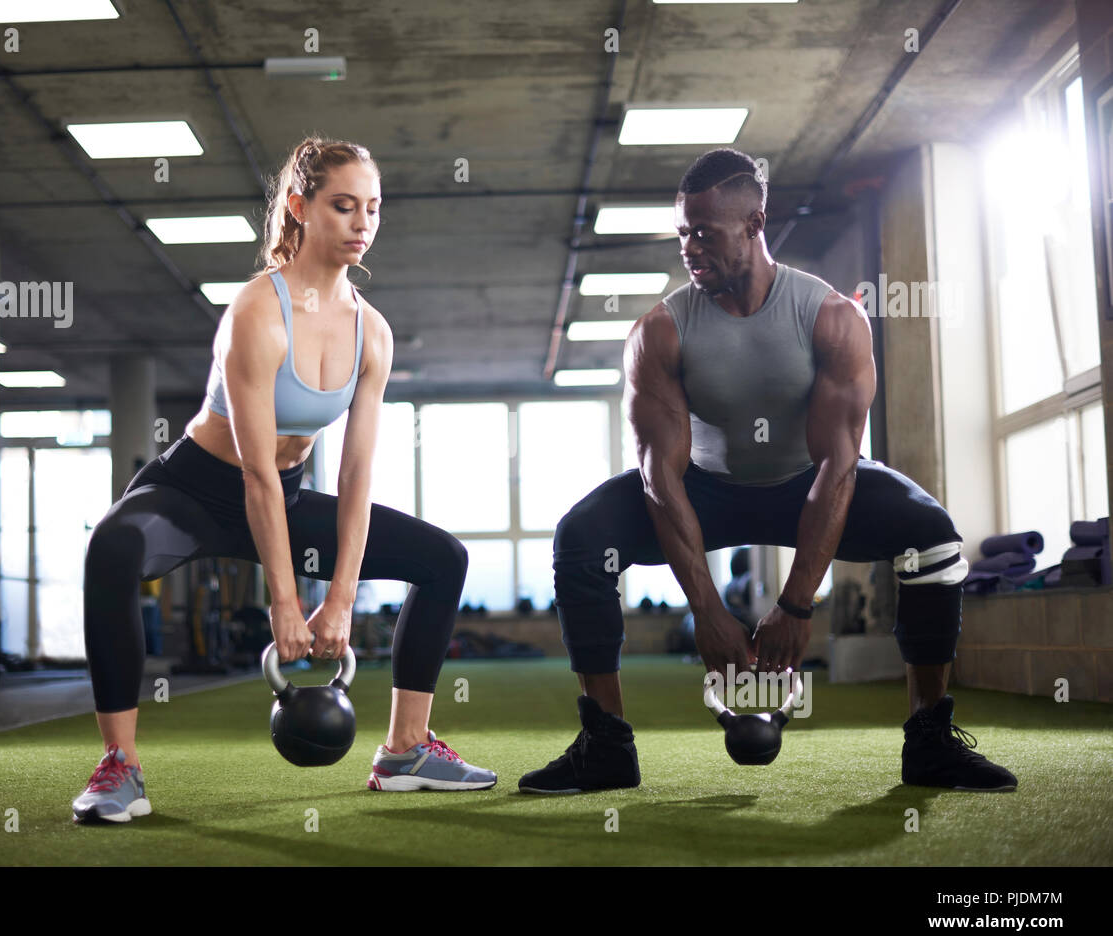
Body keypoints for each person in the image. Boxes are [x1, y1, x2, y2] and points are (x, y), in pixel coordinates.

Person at [519, 147, 1017, 796]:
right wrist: (707, 610)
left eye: (704, 234)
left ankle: (930, 739)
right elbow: (660, 480)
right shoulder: (660, 332)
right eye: (682, 234)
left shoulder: (831, 318)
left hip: (808, 482)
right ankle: (605, 744)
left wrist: (794, 603)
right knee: (582, 539)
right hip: (703, 488)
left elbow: (838, 469)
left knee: (933, 537)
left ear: (755, 224)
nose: (689, 249)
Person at [73, 137, 496, 823]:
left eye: (373, 209)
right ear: (300, 207)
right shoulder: (256, 314)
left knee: (442, 558)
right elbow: (255, 476)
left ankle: (405, 749)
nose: (363, 223)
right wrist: (286, 604)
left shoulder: (372, 333)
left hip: (287, 494)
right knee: (113, 547)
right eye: (343, 206)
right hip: (194, 493)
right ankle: (120, 767)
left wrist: (341, 600)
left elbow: (357, 473)